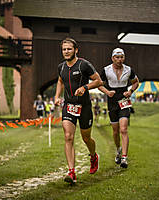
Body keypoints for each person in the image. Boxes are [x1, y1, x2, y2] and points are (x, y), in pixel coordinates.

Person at [54, 37, 103, 184]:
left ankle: (93, 156)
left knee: (86, 138)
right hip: (69, 105)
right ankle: (71, 172)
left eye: (69, 49)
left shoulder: (84, 65)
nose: (66, 51)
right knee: (68, 136)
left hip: (84, 107)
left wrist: (85, 87)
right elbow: (60, 81)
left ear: (76, 50)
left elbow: (98, 81)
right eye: (64, 49)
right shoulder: (61, 67)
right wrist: (56, 97)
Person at [98, 48, 139, 168]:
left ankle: (125, 158)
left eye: (121, 57)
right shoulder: (106, 70)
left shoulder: (129, 69)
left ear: (124, 58)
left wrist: (130, 91)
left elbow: (136, 82)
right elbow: (99, 84)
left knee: (123, 129)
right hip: (112, 101)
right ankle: (118, 150)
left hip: (124, 99)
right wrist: (107, 92)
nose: (119, 60)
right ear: (112, 58)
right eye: (117, 57)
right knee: (115, 132)